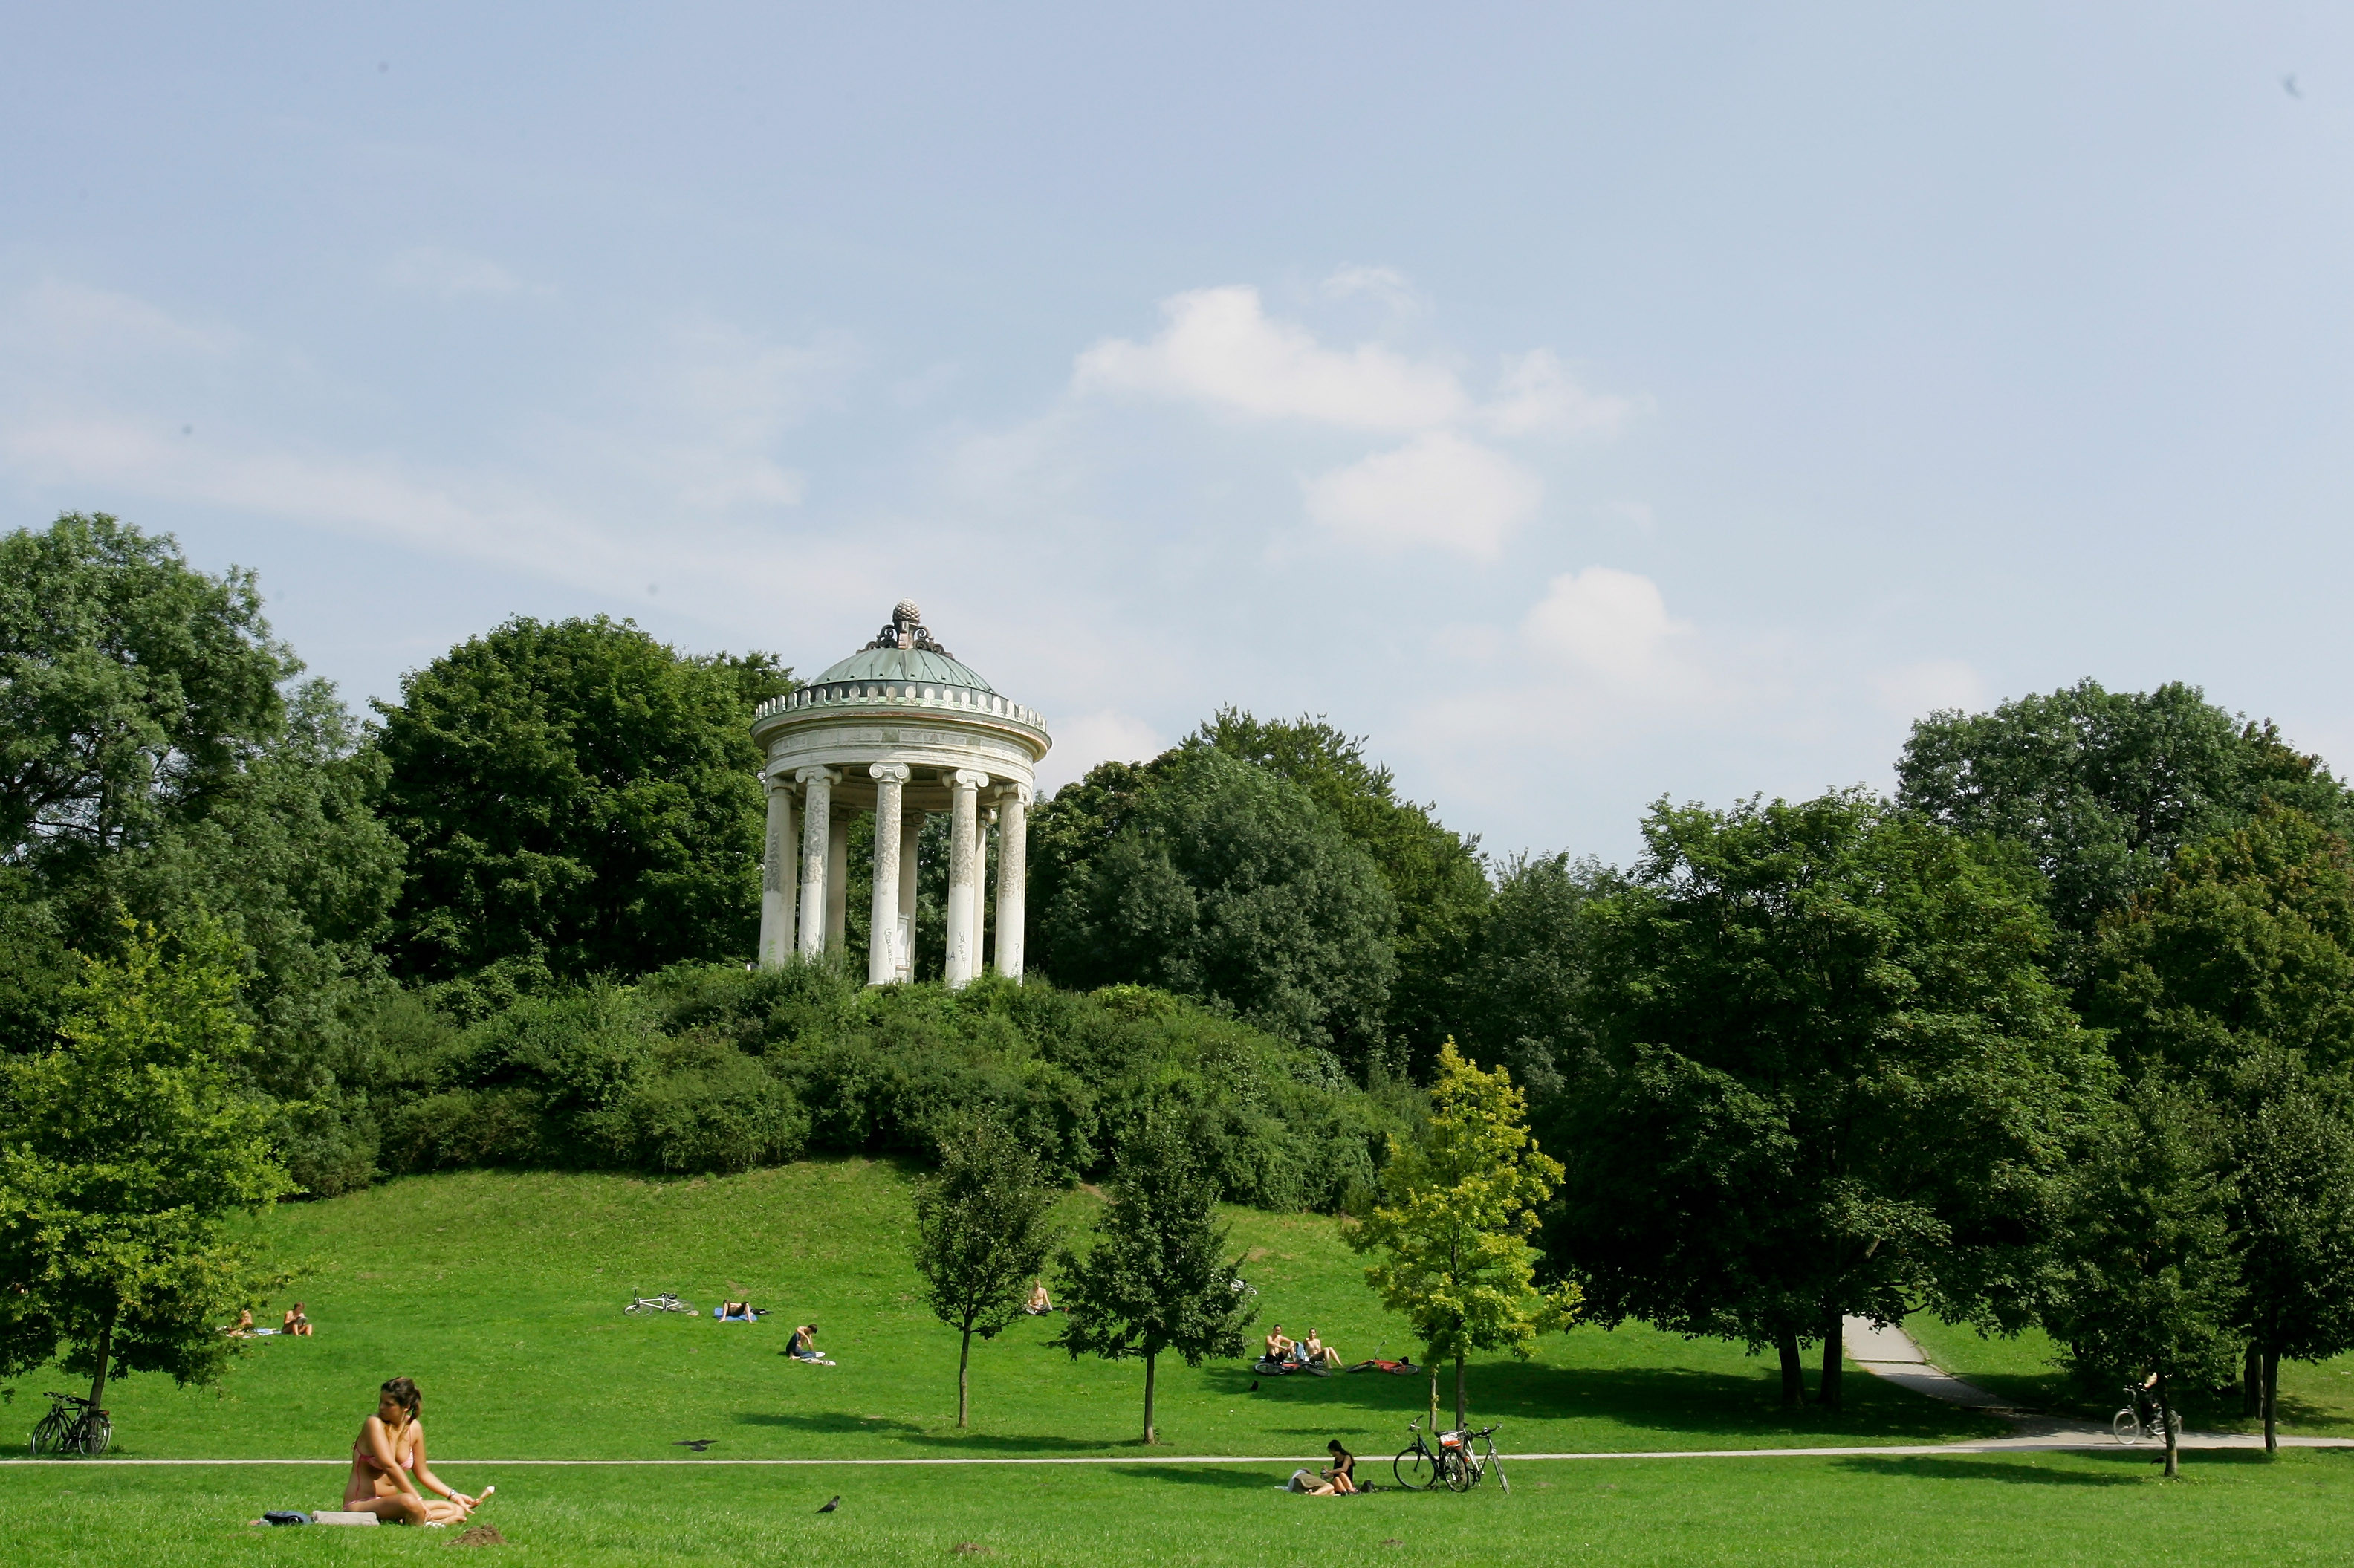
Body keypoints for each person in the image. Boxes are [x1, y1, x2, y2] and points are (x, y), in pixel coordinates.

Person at [343, 1377, 476, 1526]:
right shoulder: (374, 1423)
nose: (381, 1407)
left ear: (405, 1406)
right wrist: (419, 1501)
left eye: (389, 1404)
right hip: (361, 1504)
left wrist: (454, 1495)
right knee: (409, 1501)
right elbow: (389, 1466)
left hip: (394, 1505)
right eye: (381, 1401)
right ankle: (429, 1524)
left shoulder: (414, 1428)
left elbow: (423, 1473)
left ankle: (418, 1519)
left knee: (456, 1509)